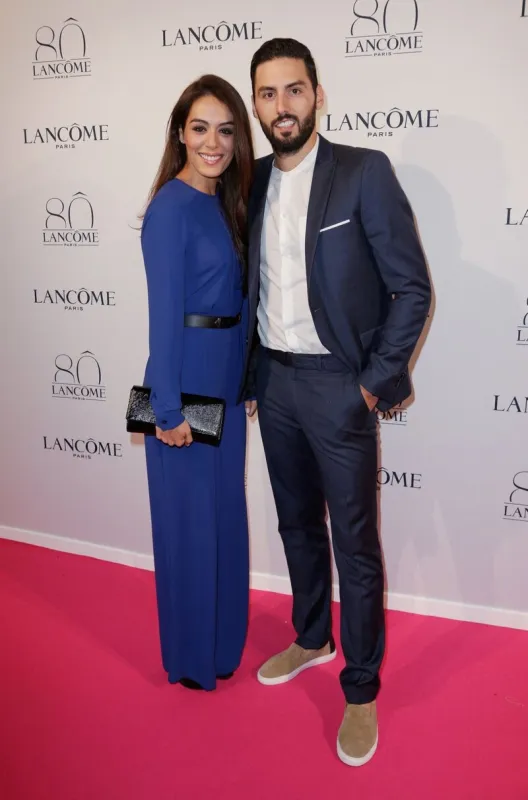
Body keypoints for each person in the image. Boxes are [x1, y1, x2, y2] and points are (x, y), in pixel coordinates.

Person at [242, 39, 431, 765]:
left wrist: (372, 380)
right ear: (255, 102)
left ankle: (360, 688)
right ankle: (313, 636)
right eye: (267, 93)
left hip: (336, 384)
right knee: (295, 525)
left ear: (319, 95)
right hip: (276, 382)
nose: (280, 106)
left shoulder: (362, 172)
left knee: (355, 542)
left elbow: (410, 288)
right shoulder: (250, 182)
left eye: (294, 91)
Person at [141, 75, 254, 691]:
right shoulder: (168, 209)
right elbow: (164, 316)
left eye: (226, 130)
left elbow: (235, 300)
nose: (214, 142)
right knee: (189, 522)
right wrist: (165, 410)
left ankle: (221, 644)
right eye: (200, 127)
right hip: (184, 384)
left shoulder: (224, 201)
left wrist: (247, 378)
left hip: (226, 380)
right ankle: (191, 657)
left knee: (222, 515)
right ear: (181, 133)